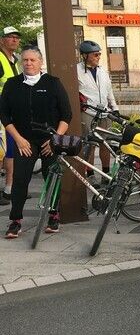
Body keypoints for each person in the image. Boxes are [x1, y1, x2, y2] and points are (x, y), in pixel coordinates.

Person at [0, 47, 72, 238]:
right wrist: (18, 139)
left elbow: (66, 115)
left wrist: (55, 139)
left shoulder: (53, 83)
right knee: (20, 181)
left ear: (41, 63)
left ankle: (54, 216)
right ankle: (15, 221)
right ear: (21, 63)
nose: (29, 63)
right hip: (24, 140)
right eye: (25, 60)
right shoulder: (12, 84)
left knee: (52, 179)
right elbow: (4, 115)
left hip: (50, 140)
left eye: (33, 60)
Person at [77, 40, 118, 181]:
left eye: (99, 54)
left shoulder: (102, 71)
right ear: (85, 55)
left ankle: (106, 174)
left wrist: (115, 108)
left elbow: (109, 91)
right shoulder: (77, 71)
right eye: (95, 54)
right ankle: (90, 174)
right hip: (88, 113)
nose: (98, 57)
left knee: (105, 144)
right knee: (90, 145)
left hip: (104, 113)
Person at [0, 26, 22, 204]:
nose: (15, 40)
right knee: (2, 152)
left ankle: (10, 188)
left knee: (11, 151)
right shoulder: (0, 59)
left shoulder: (15, 60)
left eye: (17, 37)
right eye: (10, 37)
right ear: (2, 40)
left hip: (11, 112)